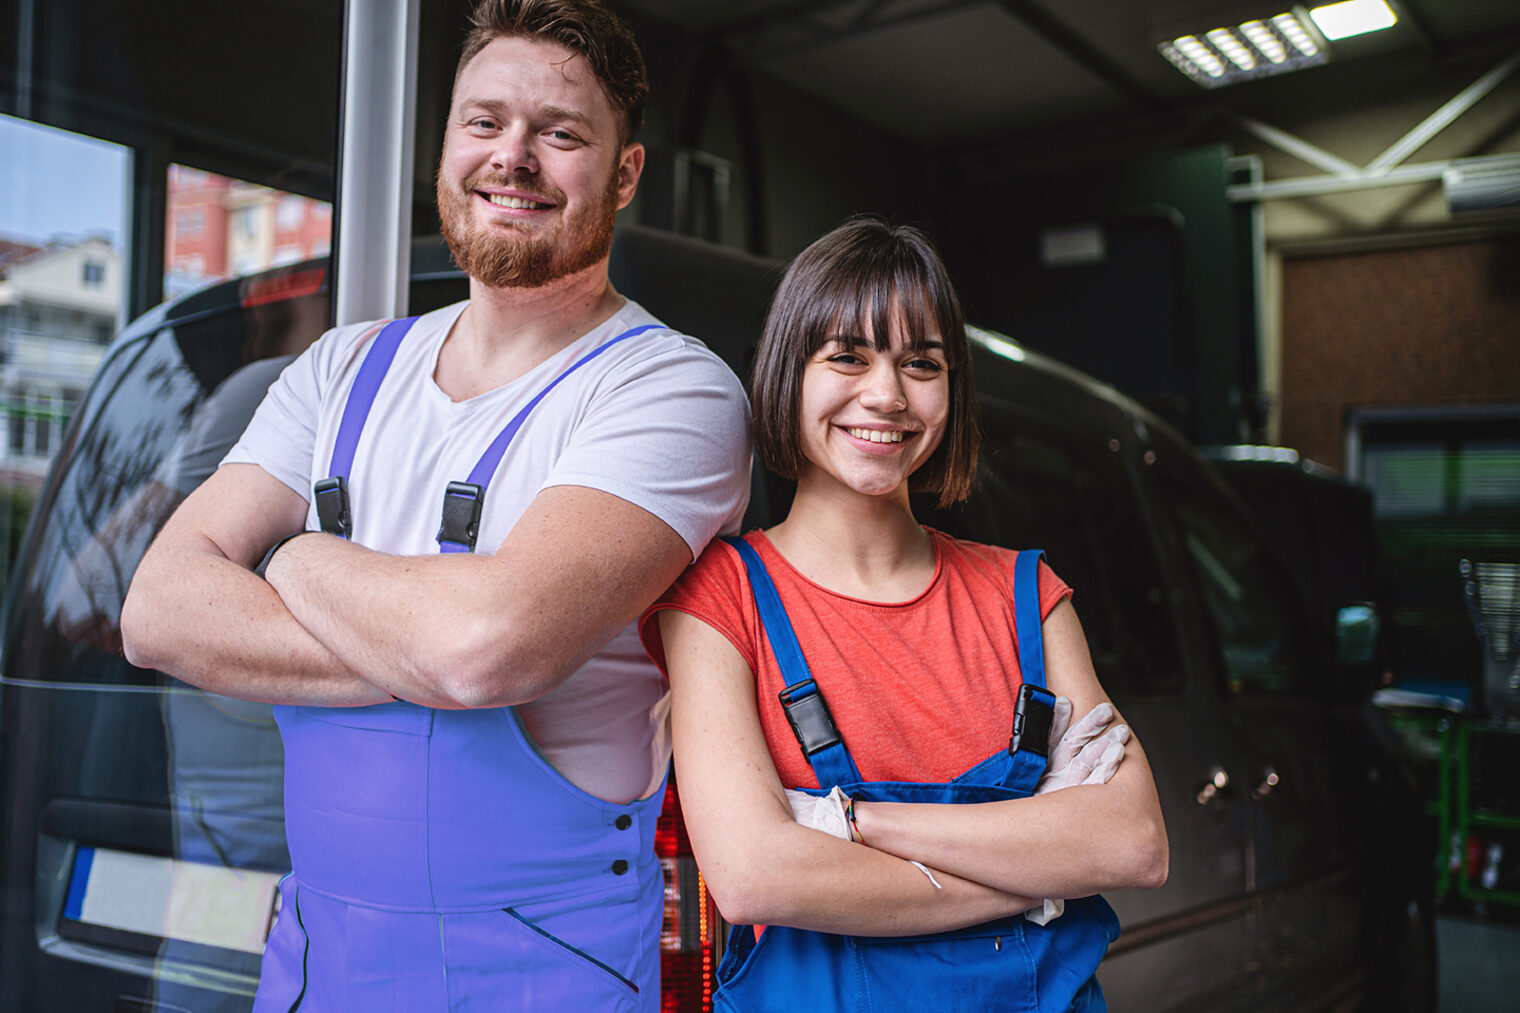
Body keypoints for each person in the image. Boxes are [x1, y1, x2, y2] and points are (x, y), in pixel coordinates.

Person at [120, 1, 750, 1009]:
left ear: (624, 174)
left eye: (560, 132)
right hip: (314, 964)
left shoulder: (670, 390)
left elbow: (486, 648)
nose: (513, 156)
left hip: (545, 972)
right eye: (484, 122)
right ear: (445, 143)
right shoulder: (340, 367)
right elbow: (156, 610)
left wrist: (290, 559)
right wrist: (433, 639)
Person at [640, 219, 1168, 1011]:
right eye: (848, 355)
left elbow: (1132, 842)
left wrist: (849, 823)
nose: (886, 394)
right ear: (790, 369)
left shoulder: (1026, 595)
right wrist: (1036, 870)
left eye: (921, 363)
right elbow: (754, 875)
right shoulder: (721, 594)